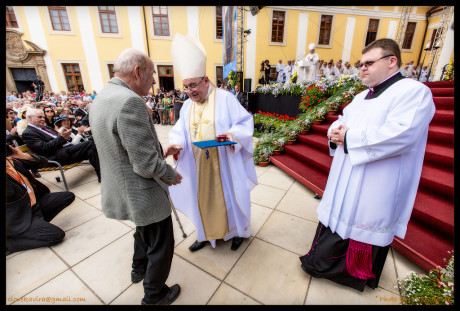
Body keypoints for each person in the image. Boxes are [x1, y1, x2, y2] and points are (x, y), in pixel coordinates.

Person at [299, 38, 436, 292]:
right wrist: (334, 132)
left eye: (369, 63)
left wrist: (348, 137)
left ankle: (353, 273)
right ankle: (324, 263)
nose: (362, 69)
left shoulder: (414, 92)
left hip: (378, 181)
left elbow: (401, 134)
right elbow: (343, 120)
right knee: (339, 218)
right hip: (348, 174)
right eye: (361, 64)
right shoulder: (362, 96)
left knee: (363, 221)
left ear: (391, 61)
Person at [89, 48, 182, 305]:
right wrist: (170, 174)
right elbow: (144, 164)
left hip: (122, 187)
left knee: (143, 231)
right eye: (152, 74)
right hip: (142, 192)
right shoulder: (130, 101)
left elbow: (121, 148)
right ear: (138, 71)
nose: (154, 81)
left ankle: (138, 268)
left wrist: (160, 151)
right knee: (161, 242)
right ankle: (155, 294)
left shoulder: (102, 97)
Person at [168, 33, 257, 252]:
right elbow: (180, 130)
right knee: (202, 199)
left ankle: (237, 231)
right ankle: (204, 233)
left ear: (206, 80)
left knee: (230, 196)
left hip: (225, 161)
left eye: (194, 85)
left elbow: (245, 122)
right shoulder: (187, 105)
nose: (190, 92)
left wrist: (232, 135)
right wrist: (176, 143)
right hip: (199, 165)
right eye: (186, 87)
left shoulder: (225, 98)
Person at [6, 142, 75, 255]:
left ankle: (36, 226)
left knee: (67, 196)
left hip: (34, 204)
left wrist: (22, 155)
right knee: (56, 235)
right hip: (19, 215)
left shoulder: (14, 161)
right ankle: (9, 243)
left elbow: (43, 162)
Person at [21, 109, 101, 182]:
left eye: (43, 117)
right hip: (56, 156)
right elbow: (44, 148)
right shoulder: (28, 133)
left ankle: (102, 176)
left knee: (90, 150)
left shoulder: (46, 128)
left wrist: (66, 136)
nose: (42, 119)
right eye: (39, 117)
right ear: (29, 117)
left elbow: (63, 139)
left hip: (67, 150)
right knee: (91, 143)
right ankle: (103, 175)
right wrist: (62, 137)